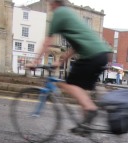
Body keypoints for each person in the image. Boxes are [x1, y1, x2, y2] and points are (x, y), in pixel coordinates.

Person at [33, 0, 111, 135]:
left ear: (54, 3)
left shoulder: (58, 14)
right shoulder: (70, 14)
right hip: (102, 54)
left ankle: (91, 109)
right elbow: (76, 46)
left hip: (91, 55)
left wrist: (35, 62)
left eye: (50, 3)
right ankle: (85, 125)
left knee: (69, 84)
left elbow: (47, 41)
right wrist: (61, 60)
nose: (50, 5)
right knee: (81, 90)